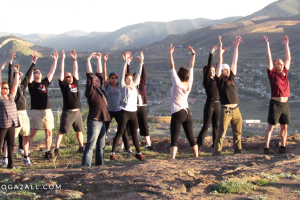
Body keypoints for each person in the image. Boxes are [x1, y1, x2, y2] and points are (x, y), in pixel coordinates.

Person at [110, 51, 145, 161]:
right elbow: (121, 74)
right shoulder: (123, 86)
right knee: (120, 132)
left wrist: (141, 62)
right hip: (124, 112)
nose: (129, 80)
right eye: (127, 79)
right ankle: (112, 153)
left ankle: (138, 153)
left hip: (133, 113)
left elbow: (139, 74)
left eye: (130, 79)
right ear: (125, 80)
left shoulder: (134, 86)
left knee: (134, 134)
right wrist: (125, 63)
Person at [5, 52, 37, 166]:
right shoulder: (11, 87)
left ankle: (25, 156)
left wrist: (33, 62)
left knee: (25, 136)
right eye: (17, 77)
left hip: (24, 115)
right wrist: (10, 63)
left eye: (19, 77)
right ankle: (5, 157)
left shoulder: (23, 86)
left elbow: (28, 75)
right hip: (15, 114)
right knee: (11, 138)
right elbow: (10, 76)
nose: (19, 78)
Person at [213, 36, 243, 156]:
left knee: (238, 133)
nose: (228, 70)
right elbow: (219, 63)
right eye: (226, 69)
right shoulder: (219, 79)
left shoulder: (232, 78)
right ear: (222, 71)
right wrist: (220, 49)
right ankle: (216, 154)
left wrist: (236, 47)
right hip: (225, 110)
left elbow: (235, 61)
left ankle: (238, 153)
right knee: (221, 134)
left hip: (236, 110)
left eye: (228, 69)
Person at [169, 44, 198, 159]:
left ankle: (172, 159)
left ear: (179, 75)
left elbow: (171, 67)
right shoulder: (189, 83)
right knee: (191, 137)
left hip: (177, 113)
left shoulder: (177, 83)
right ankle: (196, 156)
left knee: (174, 138)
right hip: (187, 113)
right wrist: (193, 55)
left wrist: (170, 54)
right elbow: (191, 67)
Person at [28, 50, 59, 161]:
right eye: (36, 72)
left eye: (39, 72)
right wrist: (33, 61)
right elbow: (29, 74)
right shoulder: (31, 85)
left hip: (47, 110)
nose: (38, 73)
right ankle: (28, 152)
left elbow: (51, 72)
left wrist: (55, 61)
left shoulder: (44, 83)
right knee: (33, 132)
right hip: (36, 111)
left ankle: (47, 151)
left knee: (49, 131)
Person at [263, 35, 291, 154]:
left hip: (285, 104)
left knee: (284, 126)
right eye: (279, 63)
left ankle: (283, 146)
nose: (281, 64)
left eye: (281, 63)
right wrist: (268, 45)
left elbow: (288, 59)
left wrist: (286, 45)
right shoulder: (272, 73)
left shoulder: (285, 72)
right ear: (275, 65)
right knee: (271, 126)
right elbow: (269, 59)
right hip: (275, 104)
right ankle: (266, 147)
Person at [82, 52, 110, 167]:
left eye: (99, 80)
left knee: (101, 146)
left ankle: (100, 167)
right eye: (96, 80)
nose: (99, 81)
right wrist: (88, 59)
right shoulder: (91, 91)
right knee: (90, 146)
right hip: (94, 121)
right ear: (92, 83)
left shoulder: (100, 90)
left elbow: (99, 75)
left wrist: (99, 60)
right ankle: (86, 168)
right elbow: (89, 75)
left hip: (102, 121)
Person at [54, 50, 84, 158]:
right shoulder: (64, 86)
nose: (69, 77)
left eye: (70, 76)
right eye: (67, 77)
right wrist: (62, 58)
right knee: (62, 131)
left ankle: (81, 147)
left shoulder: (75, 83)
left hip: (77, 112)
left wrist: (74, 59)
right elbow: (61, 71)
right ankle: (56, 148)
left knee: (79, 131)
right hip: (68, 112)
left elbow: (75, 69)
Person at [102, 53, 132, 154]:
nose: (114, 79)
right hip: (109, 111)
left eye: (115, 78)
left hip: (119, 111)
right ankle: (101, 147)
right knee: (104, 130)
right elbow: (104, 75)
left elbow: (124, 74)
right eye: (112, 78)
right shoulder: (107, 86)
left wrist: (126, 62)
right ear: (109, 79)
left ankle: (128, 148)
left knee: (123, 130)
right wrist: (104, 62)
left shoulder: (120, 85)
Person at [197, 46, 219, 151]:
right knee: (206, 126)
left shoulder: (216, 80)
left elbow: (218, 66)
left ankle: (215, 146)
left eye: (213, 70)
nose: (213, 71)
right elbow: (210, 64)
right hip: (210, 104)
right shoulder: (207, 81)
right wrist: (211, 53)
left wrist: (221, 54)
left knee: (216, 126)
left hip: (217, 104)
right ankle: (199, 146)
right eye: (211, 70)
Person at [0, 62, 20, 169]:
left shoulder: (11, 96)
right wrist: (0, 71)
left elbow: (15, 84)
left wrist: (16, 72)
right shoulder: (1, 98)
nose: (7, 89)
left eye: (7, 88)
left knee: (11, 145)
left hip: (12, 123)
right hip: (2, 124)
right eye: (5, 88)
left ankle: (11, 165)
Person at [131, 61, 152, 150]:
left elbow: (144, 74)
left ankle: (148, 144)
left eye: (138, 77)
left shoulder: (142, 85)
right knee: (131, 126)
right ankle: (125, 146)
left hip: (142, 106)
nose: (137, 79)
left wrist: (142, 62)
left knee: (144, 125)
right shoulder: (131, 87)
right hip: (133, 107)